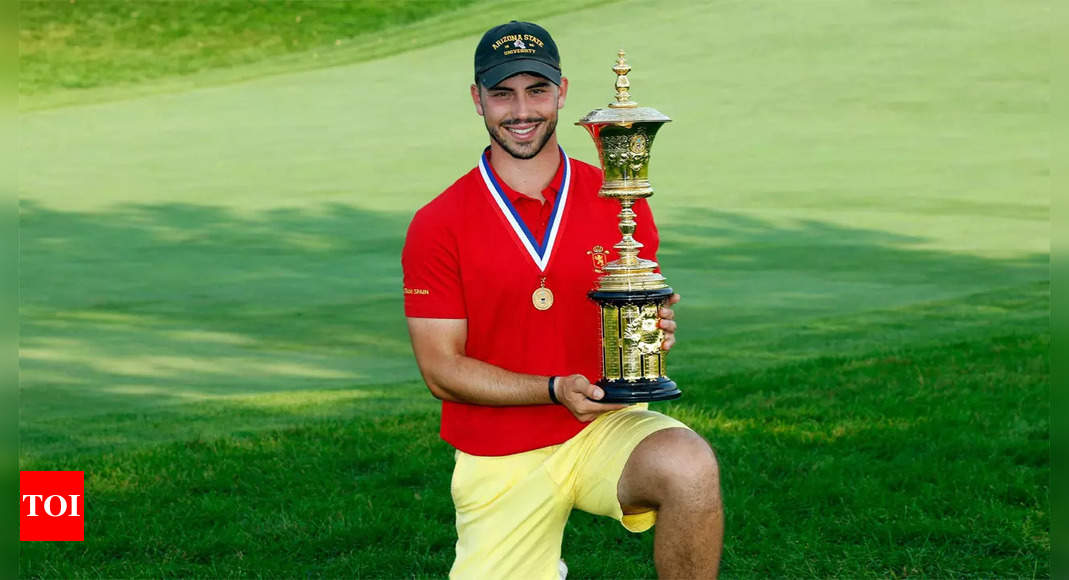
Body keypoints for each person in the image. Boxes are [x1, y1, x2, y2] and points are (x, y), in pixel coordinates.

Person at [401, 20, 723, 579]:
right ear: (477, 100)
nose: (521, 110)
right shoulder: (438, 223)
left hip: (602, 425)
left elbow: (630, 314)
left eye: (537, 90)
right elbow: (441, 370)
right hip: (500, 450)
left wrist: (651, 331)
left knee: (688, 465)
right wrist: (553, 389)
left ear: (563, 93)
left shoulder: (617, 197)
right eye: (502, 93)